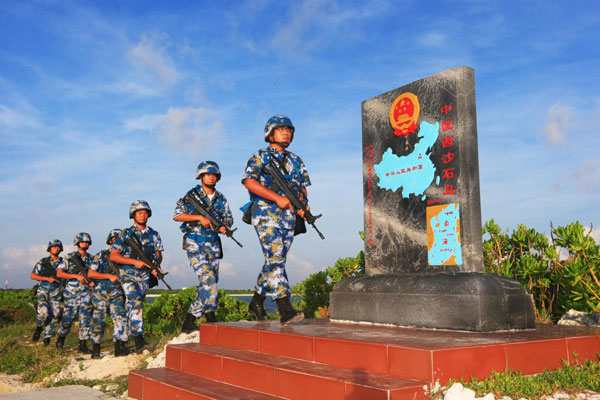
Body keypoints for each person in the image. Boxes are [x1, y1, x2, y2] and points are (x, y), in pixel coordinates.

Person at [241, 115, 311, 325]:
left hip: (288, 217)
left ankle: (256, 301)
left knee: (275, 259)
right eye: (281, 129)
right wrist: (276, 198)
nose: (287, 132)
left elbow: (302, 187)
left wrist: (303, 205)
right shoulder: (259, 156)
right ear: (270, 133)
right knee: (275, 258)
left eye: (289, 130)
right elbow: (249, 182)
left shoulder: (296, 160)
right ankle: (284, 308)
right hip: (265, 214)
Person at [173, 161, 233, 333]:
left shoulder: (221, 198)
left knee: (209, 283)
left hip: (213, 245)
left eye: (214, 175)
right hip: (195, 244)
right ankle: (191, 318)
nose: (211, 177)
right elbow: (177, 215)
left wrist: (224, 227)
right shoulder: (191, 195)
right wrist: (199, 218)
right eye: (207, 174)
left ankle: (210, 320)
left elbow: (228, 219)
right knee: (209, 281)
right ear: (201, 176)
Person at [110, 200, 164, 353]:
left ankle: (120, 344)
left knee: (132, 308)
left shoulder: (154, 234)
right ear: (133, 215)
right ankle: (139, 342)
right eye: (139, 212)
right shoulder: (125, 233)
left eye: (145, 212)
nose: (142, 215)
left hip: (144, 276)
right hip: (128, 274)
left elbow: (158, 255)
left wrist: (155, 266)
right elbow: (114, 256)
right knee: (136, 303)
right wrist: (134, 262)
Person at [87, 229, 130, 358]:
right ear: (110, 241)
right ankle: (96, 351)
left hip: (117, 292)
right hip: (101, 292)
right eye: (114, 240)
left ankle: (119, 348)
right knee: (98, 320)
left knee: (120, 319)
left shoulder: (125, 257)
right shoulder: (101, 255)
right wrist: (107, 276)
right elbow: (91, 273)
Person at [56, 232, 95, 352]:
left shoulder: (92, 259)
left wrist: (93, 281)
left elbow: (94, 273)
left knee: (86, 319)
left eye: (87, 242)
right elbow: (59, 273)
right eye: (82, 241)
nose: (85, 243)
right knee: (68, 318)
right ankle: (60, 340)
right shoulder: (69, 257)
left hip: (87, 292)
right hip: (72, 292)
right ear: (77, 243)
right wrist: (75, 276)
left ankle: (82, 345)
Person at [30, 239, 65, 345]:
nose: (56, 249)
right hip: (43, 290)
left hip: (56, 292)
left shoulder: (64, 262)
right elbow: (33, 275)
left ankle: (47, 339)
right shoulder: (43, 262)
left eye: (58, 247)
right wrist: (47, 279)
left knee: (55, 315)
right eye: (54, 247)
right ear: (49, 249)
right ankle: (39, 327)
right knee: (44, 312)